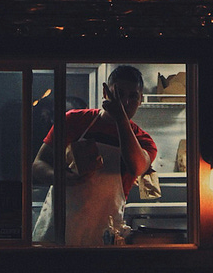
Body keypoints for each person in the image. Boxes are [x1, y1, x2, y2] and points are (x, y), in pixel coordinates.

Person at [32, 65, 157, 246]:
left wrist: (121, 119)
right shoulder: (74, 121)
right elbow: (38, 165)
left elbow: (136, 166)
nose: (126, 102)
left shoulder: (143, 141)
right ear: (106, 92)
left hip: (105, 234)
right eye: (119, 93)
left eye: (133, 96)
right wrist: (63, 177)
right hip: (59, 228)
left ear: (141, 100)